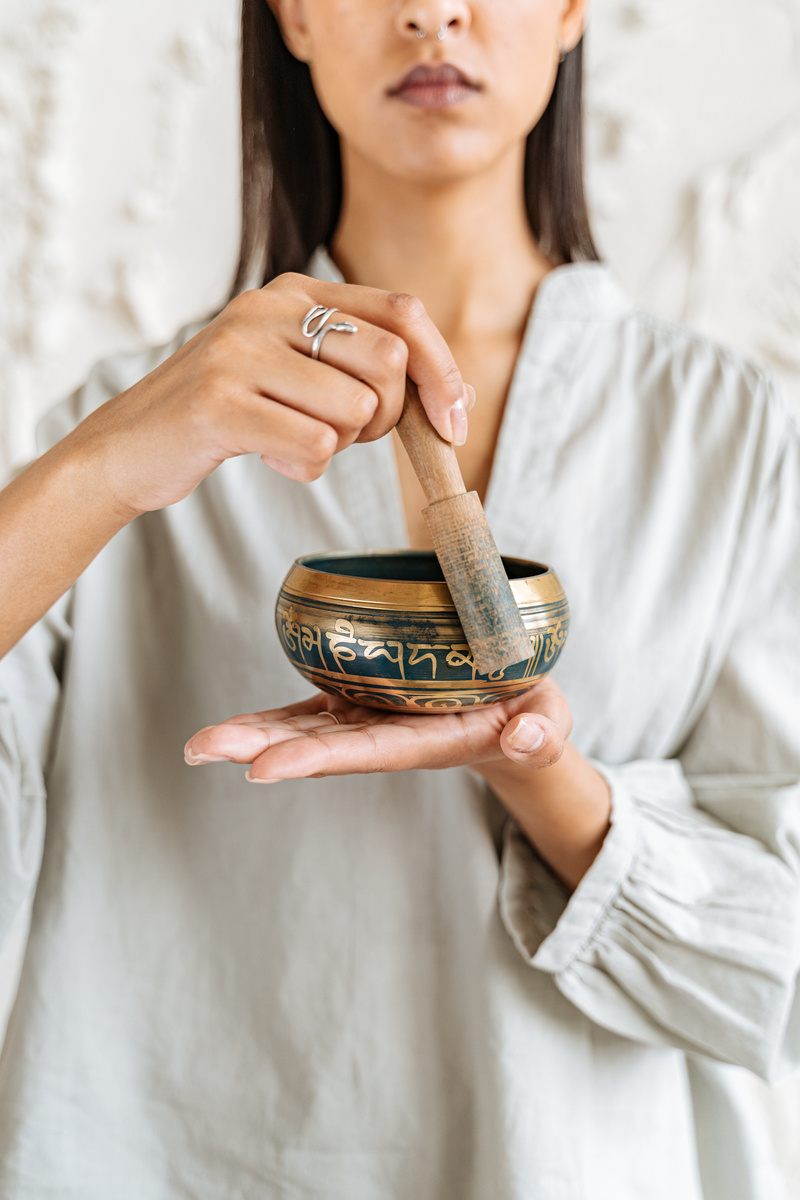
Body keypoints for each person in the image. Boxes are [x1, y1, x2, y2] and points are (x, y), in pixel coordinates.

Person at [0, 1, 799, 1196]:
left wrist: (542, 772)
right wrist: (95, 467)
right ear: (295, 16)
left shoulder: (735, 436)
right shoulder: (126, 428)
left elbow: (769, 966)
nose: (434, 11)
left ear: (575, 7)